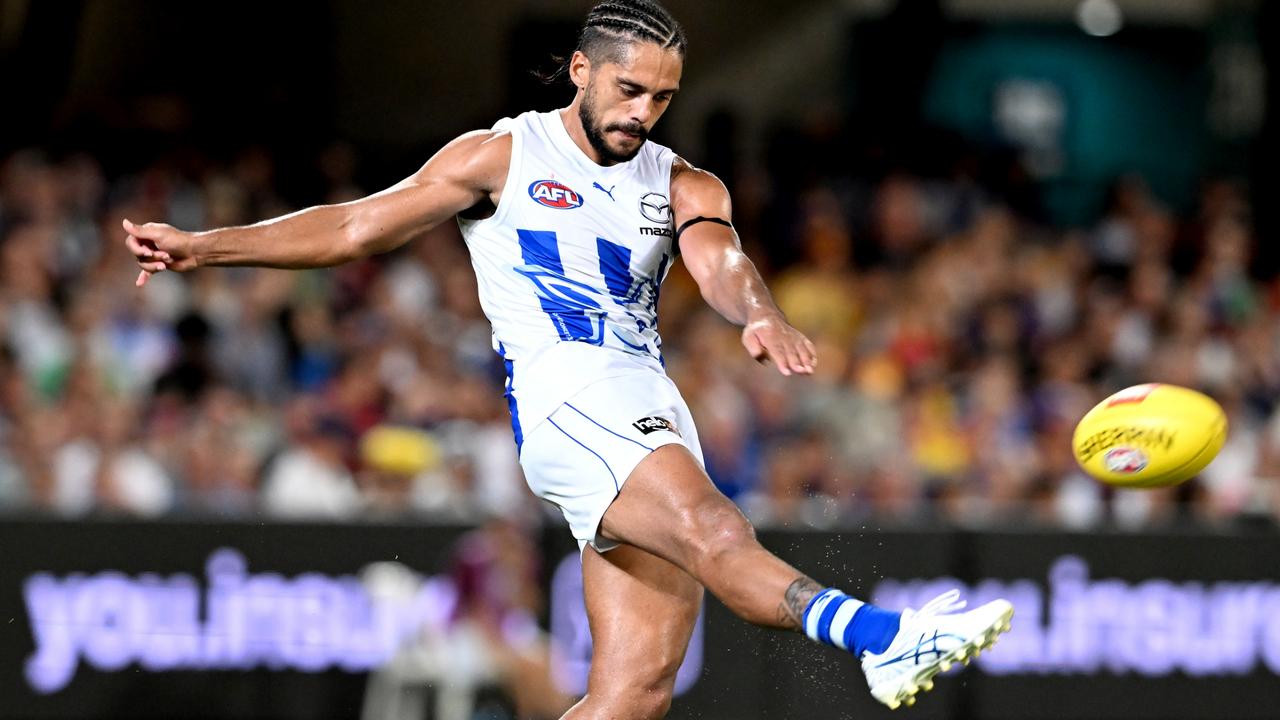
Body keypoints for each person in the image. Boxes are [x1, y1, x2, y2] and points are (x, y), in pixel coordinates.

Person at [124, 1, 1012, 715]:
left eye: (662, 97)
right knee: (715, 532)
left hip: (645, 400)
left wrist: (760, 312)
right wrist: (207, 247)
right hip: (570, 396)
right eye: (630, 89)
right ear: (582, 70)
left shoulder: (684, 182)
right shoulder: (503, 156)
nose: (644, 112)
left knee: (633, 696)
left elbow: (722, 261)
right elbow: (355, 226)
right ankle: (883, 641)